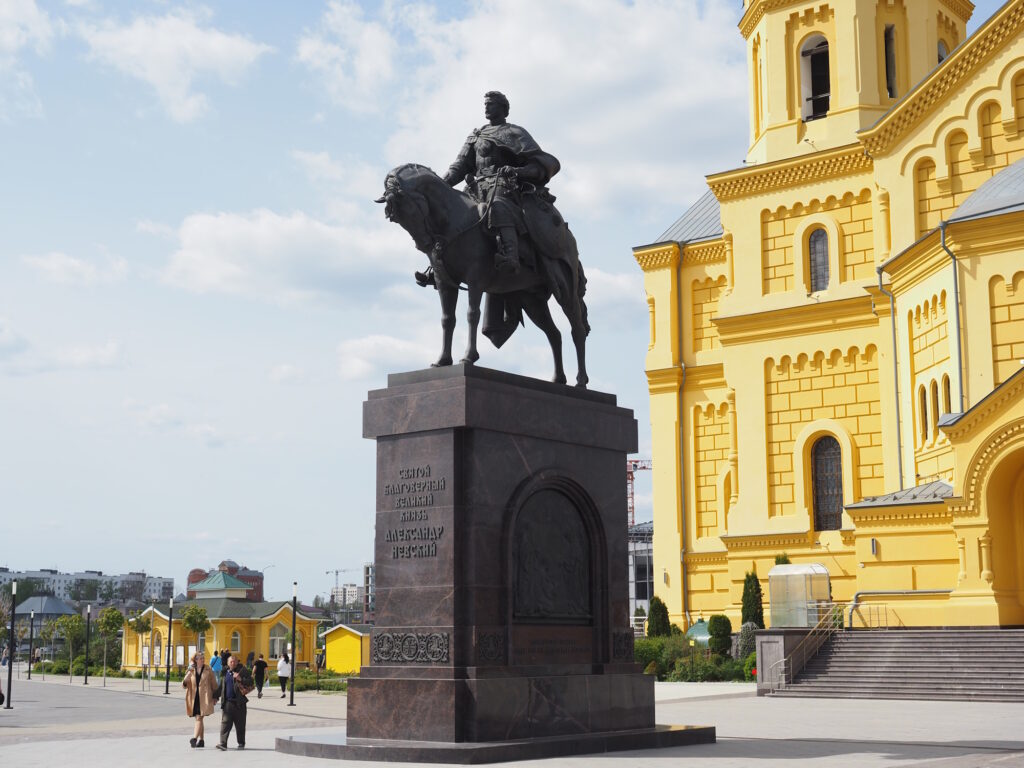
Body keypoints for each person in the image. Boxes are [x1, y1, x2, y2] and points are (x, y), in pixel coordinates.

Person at [442, 91, 560, 275]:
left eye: (491, 104)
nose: (487, 107)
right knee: (450, 213)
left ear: (503, 109)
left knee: (497, 205)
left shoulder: (515, 132)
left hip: (503, 187)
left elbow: (537, 163)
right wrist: (441, 185)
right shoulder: (476, 135)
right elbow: (459, 167)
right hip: (474, 189)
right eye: (485, 104)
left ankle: (510, 255)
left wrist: (516, 171)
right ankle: (439, 263)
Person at [215, 653, 252, 751]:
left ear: (237, 662)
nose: (233, 663)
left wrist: (240, 679)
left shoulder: (242, 671)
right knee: (225, 724)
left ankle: (241, 743)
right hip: (228, 703)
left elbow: (251, 682)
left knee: (240, 725)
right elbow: (221, 687)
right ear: (228, 663)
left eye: (234, 661)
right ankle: (223, 743)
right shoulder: (225, 673)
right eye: (231, 661)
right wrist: (214, 697)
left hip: (239, 703)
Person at [182, 651, 216, 748]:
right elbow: (184, 685)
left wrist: (215, 696)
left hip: (205, 698)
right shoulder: (190, 670)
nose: (203, 659)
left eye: (203, 658)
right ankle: (201, 741)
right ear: (195, 660)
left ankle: (194, 738)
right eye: (200, 658)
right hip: (194, 697)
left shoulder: (208, 669)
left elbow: (214, 683)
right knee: (199, 718)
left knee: (199, 718)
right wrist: (187, 678)